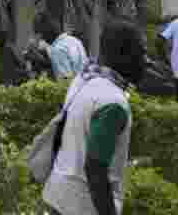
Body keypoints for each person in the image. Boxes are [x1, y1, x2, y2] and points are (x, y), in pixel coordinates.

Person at [42, 23, 146, 215]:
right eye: (141, 53)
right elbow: (95, 169)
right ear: (123, 55)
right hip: (83, 206)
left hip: (59, 195)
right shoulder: (113, 103)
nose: (145, 61)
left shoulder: (83, 81)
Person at [37, 15, 88, 79]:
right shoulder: (75, 40)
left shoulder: (57, 50)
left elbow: (66, 80)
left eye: (38, 35)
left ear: (42, 34)